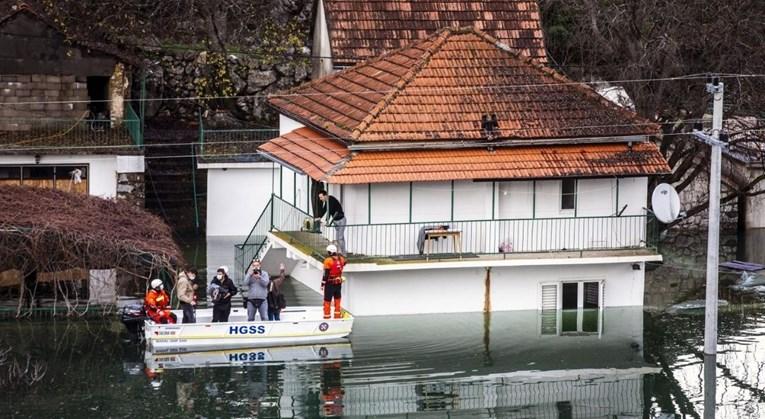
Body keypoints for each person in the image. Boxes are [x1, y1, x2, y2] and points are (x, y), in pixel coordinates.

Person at [315, 190, 346, 254]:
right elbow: (324, 210)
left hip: (341, 220)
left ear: (325, 195)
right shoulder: (327, 201)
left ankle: (343, 253)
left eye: (321, 197)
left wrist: (326, 222)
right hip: (335, 221)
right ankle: (341, 251)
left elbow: (329, 211)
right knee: (339, 237)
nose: (320, 199)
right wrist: (319, 217)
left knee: (340, 237)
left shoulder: (331, 200)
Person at [321, 245, 346, 319]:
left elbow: (326, 274)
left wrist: (322, 284)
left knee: (327, 301)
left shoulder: (328, 260)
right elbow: (344, 263)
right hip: (338, 283)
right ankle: (337, 316)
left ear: (329, 252)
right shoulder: (341, 259)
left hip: (330, 284)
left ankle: (327, 316)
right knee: (337, 300)